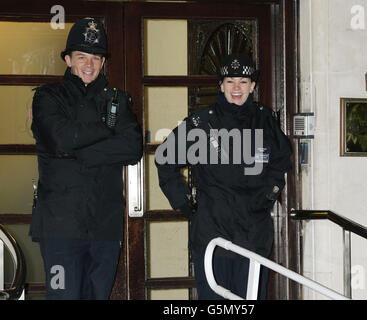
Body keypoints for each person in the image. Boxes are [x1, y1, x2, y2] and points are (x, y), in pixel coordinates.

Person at [155, 53, 292, 299]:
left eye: (243, 81)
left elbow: (281, 162)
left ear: (253, 86)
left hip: (253, 237)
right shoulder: (201, 123)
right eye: (230, 81)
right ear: (221, 85)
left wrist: (268, 195)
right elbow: (165, 159)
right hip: (212, 239)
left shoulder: (265, 120)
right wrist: (187, 204)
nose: (236, 88)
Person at [30, 17, 143, 300]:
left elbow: (131, 147)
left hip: (104, 226)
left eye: (96, 57)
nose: (89, 64)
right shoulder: (48, 97)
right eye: (82, 57)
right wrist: (106, 128)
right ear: (68, 59)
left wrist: (81, 153)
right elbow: (60, 139)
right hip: (60, 228)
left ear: (104, 62)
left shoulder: (117, 99)